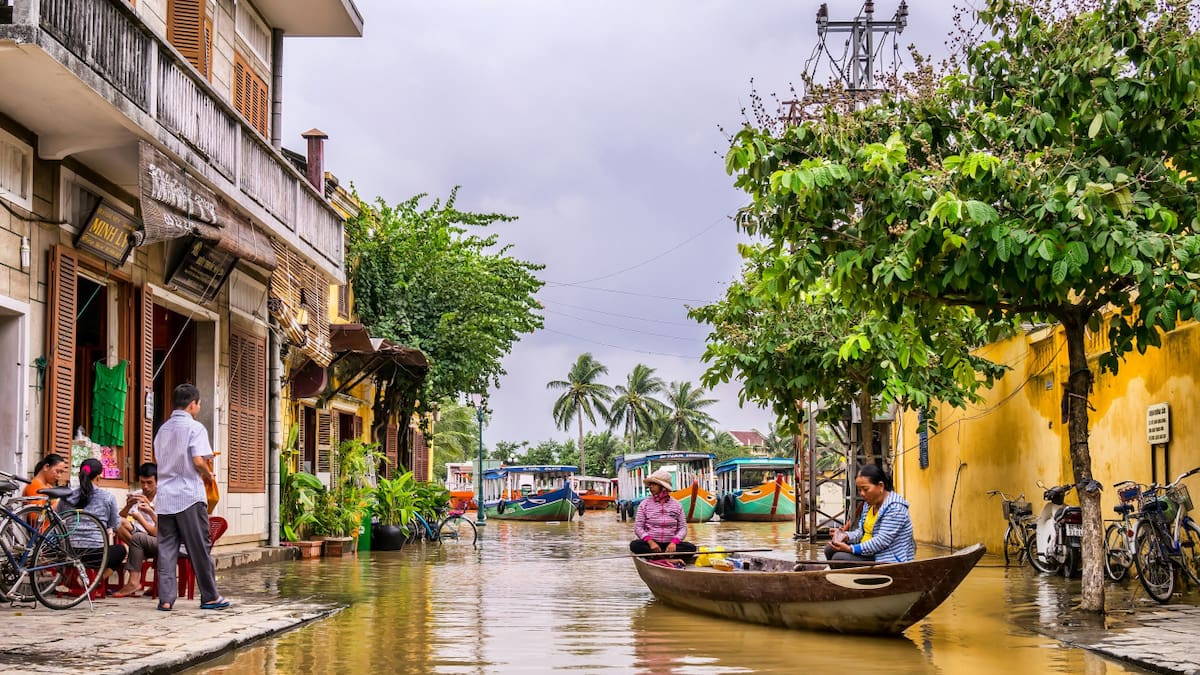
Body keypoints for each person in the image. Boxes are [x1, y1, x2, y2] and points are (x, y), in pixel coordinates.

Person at [153, 384, 230, 611]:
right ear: (193, 404)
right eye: (198, 403)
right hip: (189, 495)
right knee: (199, 547)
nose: (199, 406)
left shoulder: (163, 430)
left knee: (166, 548)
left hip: (165, 496)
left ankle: (166, 600)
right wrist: (208, 473)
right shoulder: (196, 428)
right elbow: (198, 461)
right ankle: (210, 596)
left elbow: (159, 460)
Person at [825, 464, 915, 564]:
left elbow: (881, 542)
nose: (862, 494)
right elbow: (861, 533)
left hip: (886, 557)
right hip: (870, 553)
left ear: (880, 486)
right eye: (859, 490)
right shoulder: (868, 505)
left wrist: (851, 549)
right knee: (830, 549)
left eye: (865, 489)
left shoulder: (895, 508)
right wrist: (845, 535)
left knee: (839, 558)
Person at [58, 458, 128, 573]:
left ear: (79, 475)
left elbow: (59, 520)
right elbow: (115, 525)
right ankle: (96, 582)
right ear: (98, 477)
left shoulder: (66, 497)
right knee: (121, 550)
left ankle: (76, 579)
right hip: (97, 555)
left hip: (69, 553)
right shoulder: (108, 497)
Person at [629, 469, 697, 561]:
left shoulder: (677, 505)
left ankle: (659, 557)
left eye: (654, 484)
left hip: (670, 545)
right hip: (651, 545)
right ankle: (665, 557)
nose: (650, 487)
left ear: (663, 487)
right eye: (650, 484)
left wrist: (674, 542)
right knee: (635, 545)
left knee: (691, 548)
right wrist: (651, 542)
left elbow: (683, 528)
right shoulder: (644, 504)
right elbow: (638, 528)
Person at [113, 462, 158, 598]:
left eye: (149, 483)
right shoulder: (137, 494)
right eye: (142, 482)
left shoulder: (164, 496)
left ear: (157, 481)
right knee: (118, 523)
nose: (145, 487)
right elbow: (119, 519)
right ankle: (139, 552)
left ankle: (134, 580)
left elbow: (157, 532)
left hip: (156, 537)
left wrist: (150, 507)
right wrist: (128, 507)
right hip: (140, 536)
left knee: (138, 539)